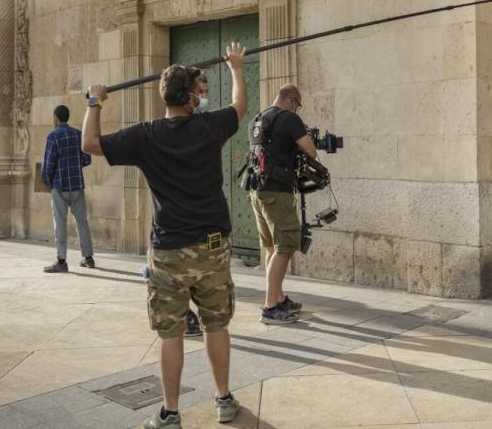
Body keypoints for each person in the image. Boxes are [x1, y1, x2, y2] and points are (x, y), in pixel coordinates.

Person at [82, 43, 247, 428]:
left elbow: (89, 143)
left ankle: (170, 412)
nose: (203, 97)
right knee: (216, 324)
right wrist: (236, 67)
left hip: (168, 250)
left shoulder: (147, 135)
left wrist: (95, 101)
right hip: (211, 247)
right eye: (200, 92)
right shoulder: (210, 127)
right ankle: (223, 400)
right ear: (191, 97)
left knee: (171, 333)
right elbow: (240, 105)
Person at [246, 84, 319, 325]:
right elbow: (311, 151)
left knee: (271, 247)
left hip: (257, 190)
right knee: (285, 247)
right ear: (290, 100)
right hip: (277, 191)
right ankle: (270, 307)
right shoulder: (288, 119)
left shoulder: (258, 119)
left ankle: (278, 298)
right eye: (297, 106)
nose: (296, 110)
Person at [41, 105, 94, 273]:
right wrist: (75, 167)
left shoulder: (53, 136)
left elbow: (48, 166)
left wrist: (47, 181)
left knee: (60, 224)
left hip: (59, 185)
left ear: (56, 118)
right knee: (82, 222)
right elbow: (87, 159)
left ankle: (61, 261)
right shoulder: (79, 135)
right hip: (77, 185)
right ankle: (88, 258)